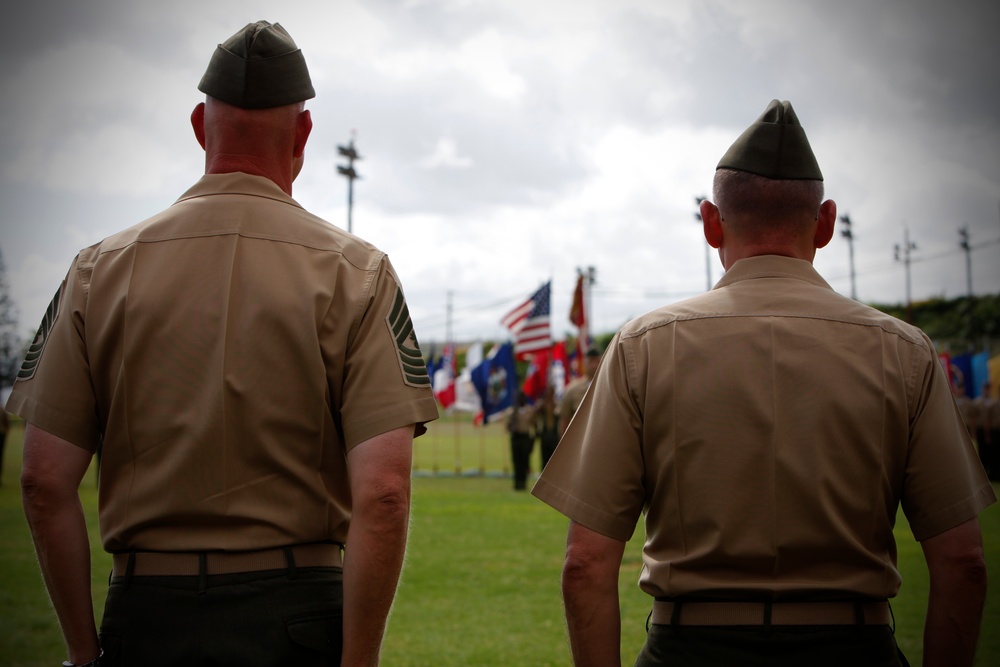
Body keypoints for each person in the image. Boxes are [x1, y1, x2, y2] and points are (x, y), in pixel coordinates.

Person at [8, 21, 438, 667]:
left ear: (198, 126)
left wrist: (80, 651)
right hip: (298, 611)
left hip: (145, 612)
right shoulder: (357, 271)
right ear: (304, 134)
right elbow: (384, 491)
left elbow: (44, 480)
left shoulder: (99, 268)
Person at [532, 100, 995, 667]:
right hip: (854, 646)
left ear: (710, 222)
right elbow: (964, 563)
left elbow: (586, 563)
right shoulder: (904, 351)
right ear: (824, 223)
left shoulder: (644, 345)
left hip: (691, 648)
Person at [558, 346, 601, 436]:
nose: (594, 365)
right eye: (591, 361)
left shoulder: (610, 386)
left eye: (597, 361)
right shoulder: (572, 390)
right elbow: (564, 420)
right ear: (584, 363)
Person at [507, 391, 536, 490]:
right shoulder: (513, 411)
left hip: (525, 437)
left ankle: (523, 483)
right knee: (516, 461)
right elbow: (508, 426)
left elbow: (534, 424)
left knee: (525, 461)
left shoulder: (529, 410)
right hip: (516, 437)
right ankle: (517, 483)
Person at [535, 386, 560, 469]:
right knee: (544, 460)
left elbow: (561, 414)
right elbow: (535, 414)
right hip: (545, 435)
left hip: (554, 435)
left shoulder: (556, 404)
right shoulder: (543, 405)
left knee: (555, 460)